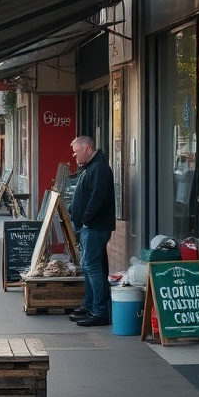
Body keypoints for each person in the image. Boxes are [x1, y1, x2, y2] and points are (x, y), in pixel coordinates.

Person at [67, 136, 115, 327]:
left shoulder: (100, 168)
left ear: (86, 148)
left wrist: (86, 219)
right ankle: (89, 306)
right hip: (89, 227)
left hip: (95, 227)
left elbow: (98, 197)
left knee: (92, 267)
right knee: (88, 267)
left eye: (76, 151)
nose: (74, 155)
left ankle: (100, 311)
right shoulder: (90, 167)